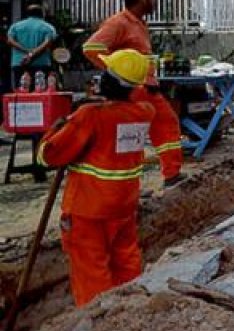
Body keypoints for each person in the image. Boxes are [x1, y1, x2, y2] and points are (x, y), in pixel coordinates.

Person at [38, 50, 155, 306]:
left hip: (88, 209)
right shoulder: (144, 112)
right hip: (124, 204)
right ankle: (130, 312)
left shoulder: (90, 116)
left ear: (111, 81)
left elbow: (52, 155)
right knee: (126, 261)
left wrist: (56, 129)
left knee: (92, 270)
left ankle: (97, 322)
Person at [81, 0, 183, 186]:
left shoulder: (136, 23)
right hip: (135, 89)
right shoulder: (119, 22)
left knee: (166, 124)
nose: (154, 1)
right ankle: (135, 181)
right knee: (132, 136)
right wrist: (119, 74)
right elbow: (91, 48)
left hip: (146, 87)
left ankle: (172, 174)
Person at [7, 3, 58, 88]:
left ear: (27, 14)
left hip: (19, 63)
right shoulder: (48, 27)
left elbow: (10, 41)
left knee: (20, 92)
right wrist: (32, 53)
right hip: (41, 64)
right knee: (39, 92)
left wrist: (25, 50)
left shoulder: (15, 26)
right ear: (42, 14)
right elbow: (48, 42)